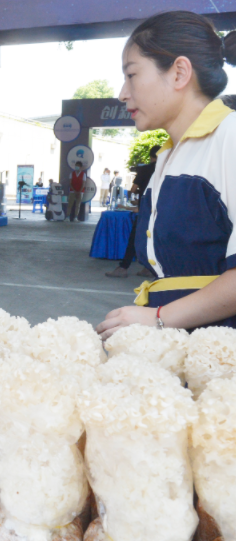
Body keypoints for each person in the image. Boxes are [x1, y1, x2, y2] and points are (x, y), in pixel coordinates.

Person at [97, 11, 236, 339]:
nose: (122, 93)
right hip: (182, 349)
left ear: (179, 72)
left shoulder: (230, 136)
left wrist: (159, 317)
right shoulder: (166, 156)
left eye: (131, 75)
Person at [105, 145, 161, 278]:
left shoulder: (145, 169)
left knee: (134, 238)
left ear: (151, 156)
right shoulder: (167, 168)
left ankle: (123, 267)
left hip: (146, 208)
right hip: (162, 209)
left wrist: (138, 193)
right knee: (155, 239)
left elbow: (133, 189)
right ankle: (150, 268)